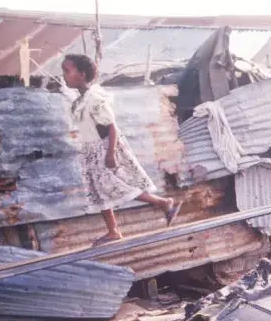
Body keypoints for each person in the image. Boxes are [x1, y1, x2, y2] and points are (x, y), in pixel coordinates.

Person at [61, 54, 181, 246]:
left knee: (117, 186)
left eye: (67, 71)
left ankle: (163, 202)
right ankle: (113, 231)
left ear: (82, 75)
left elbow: (111, 126)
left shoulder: (95, 97)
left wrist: (110, 154)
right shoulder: (80, 100)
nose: (64, 75)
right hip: (91, 151)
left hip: (105, 148)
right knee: (99, 191)